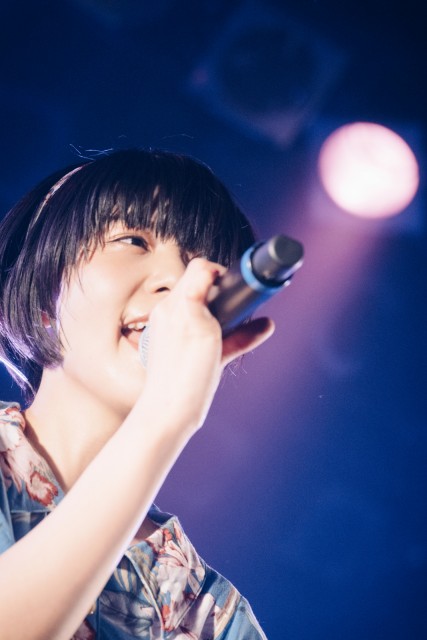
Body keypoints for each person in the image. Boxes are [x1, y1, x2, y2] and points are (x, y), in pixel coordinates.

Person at [0, 149, 274, 639]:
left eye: (201, 263)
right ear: (44, 294)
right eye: (133, 240)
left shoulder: (211, 613)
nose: (176, 281)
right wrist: (163, 418)